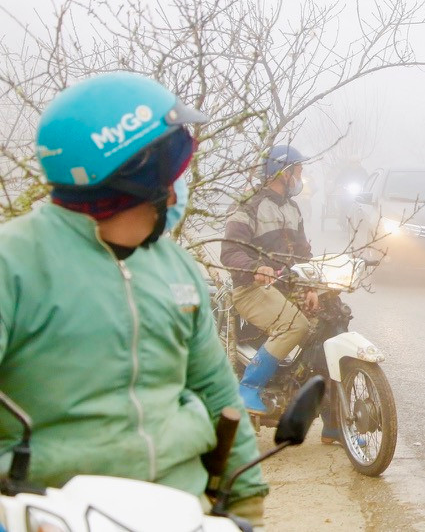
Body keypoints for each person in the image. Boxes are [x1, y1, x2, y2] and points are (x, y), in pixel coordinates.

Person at [0, 72, 267, 525]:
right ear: (137, 174)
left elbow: (218, 391)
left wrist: (246, 500)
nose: (176, 184)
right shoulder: (14, 263)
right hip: (49, 510)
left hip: (180, 507)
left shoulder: (176, 267)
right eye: (172, 167)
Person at [219, 146, 332, 430]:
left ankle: (335, 417)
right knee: (295, 326)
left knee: (332, 322)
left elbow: (304, 256)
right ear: (283, 172)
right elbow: (230, 254)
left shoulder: (292, 208)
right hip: (251, 289)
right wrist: (256, 268)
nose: (301, 177)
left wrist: (311, 286)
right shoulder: (248, 206)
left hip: (288, 287)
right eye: (299, 171)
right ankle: (248, 387)